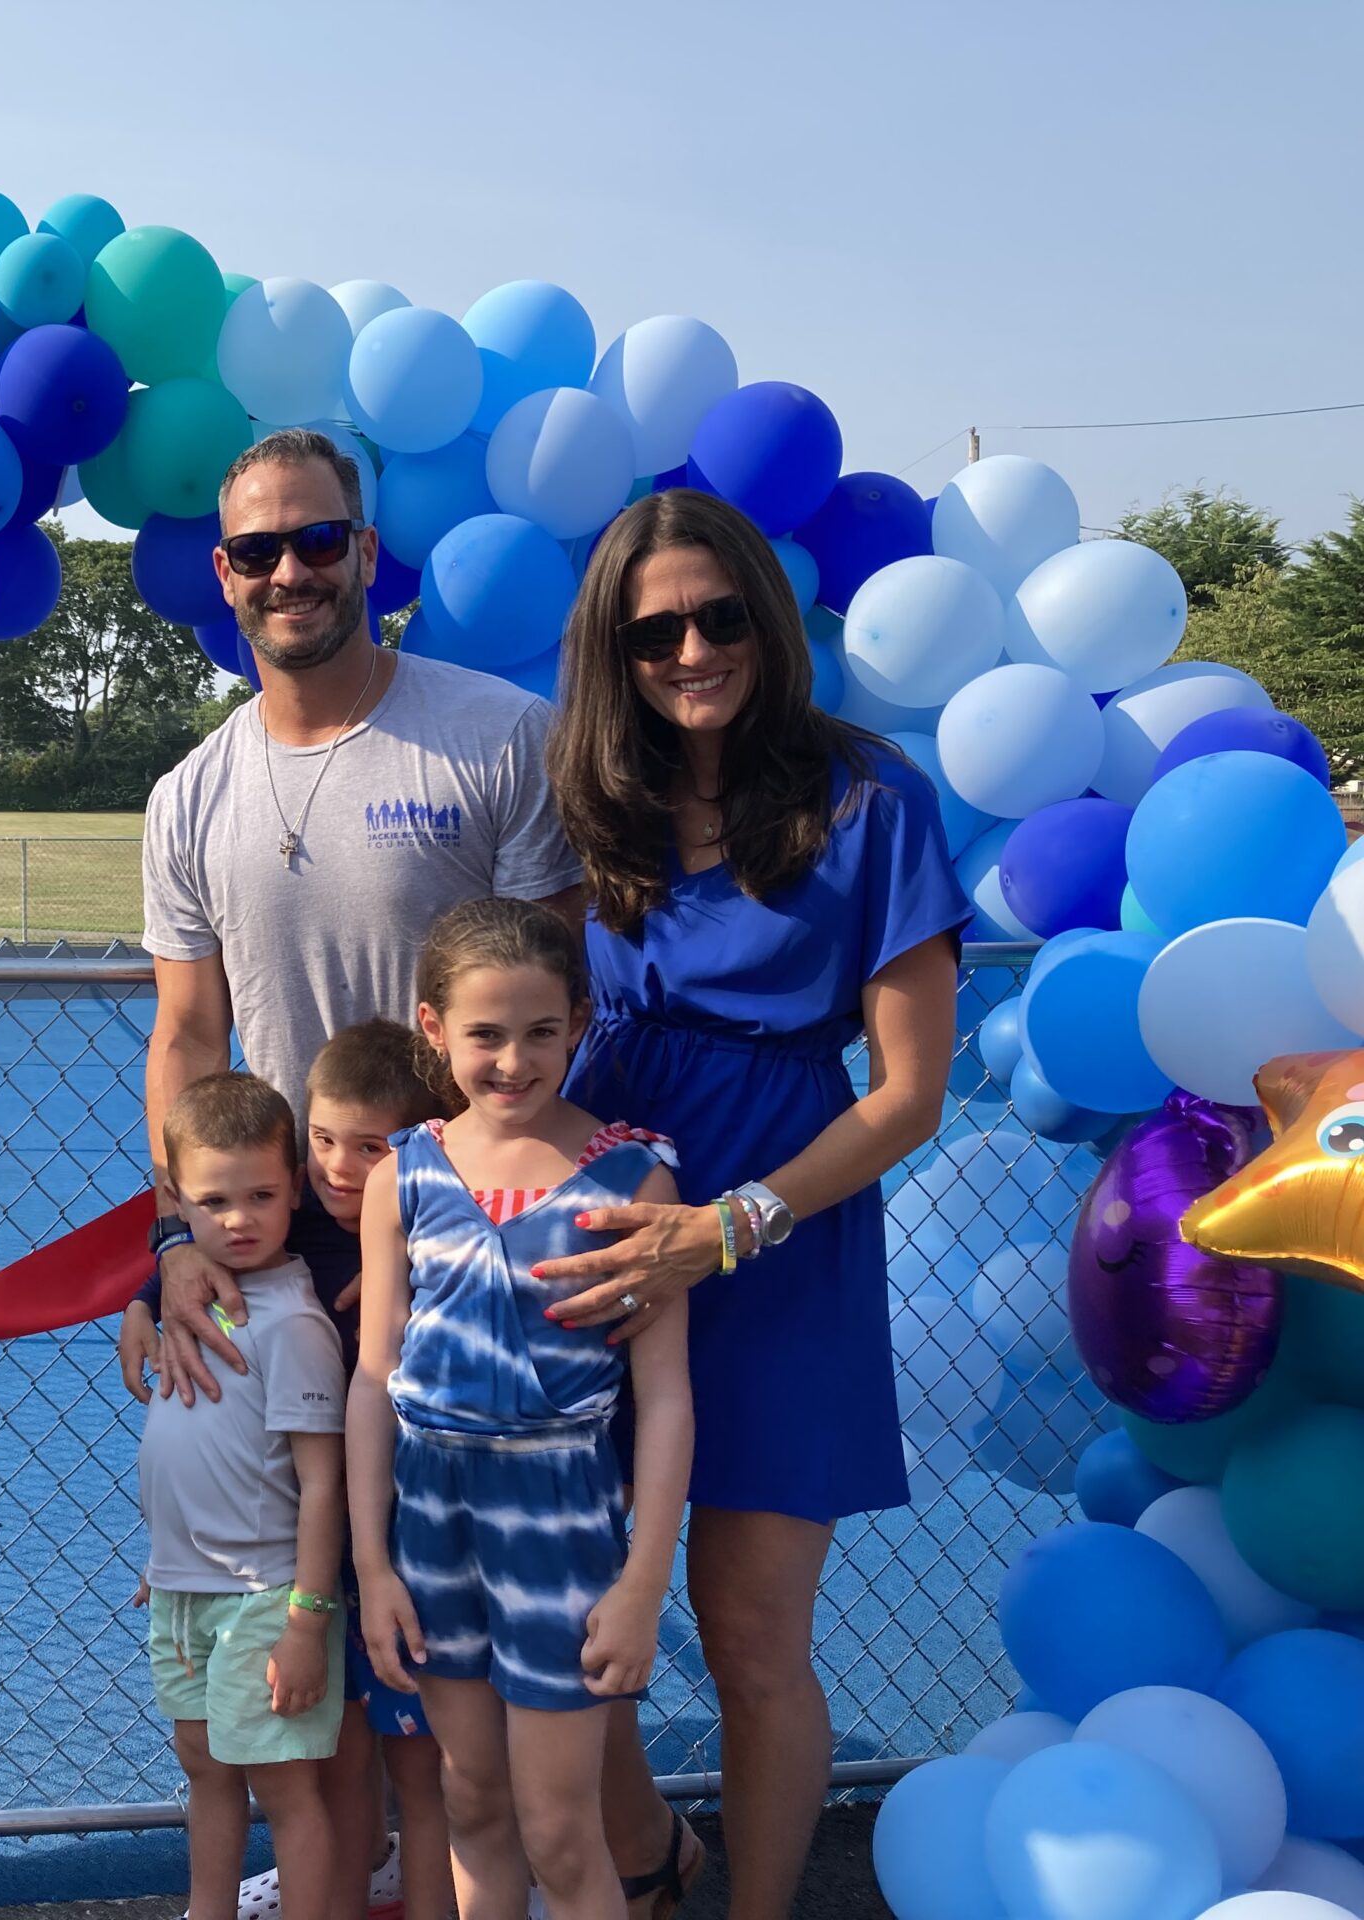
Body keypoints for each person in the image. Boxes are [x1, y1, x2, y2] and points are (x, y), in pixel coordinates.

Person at [135, 424, 585, 1914]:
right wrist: (174, 1238)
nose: (289, 571)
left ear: (366, 556)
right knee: (304, 1599)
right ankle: (354, 1876)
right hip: (291, 1237)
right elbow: (188, 1032)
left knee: (492, 1624)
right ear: (223, 575)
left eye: (316, 541)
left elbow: (550, 988)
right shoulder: (189, 793)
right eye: (257, 550)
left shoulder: (495, 733)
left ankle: (611, 1858)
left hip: (467, 1241)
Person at [536, 489, 970, 1920]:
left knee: (751, 1635)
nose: (691, 648)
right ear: (617, 647)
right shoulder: (597, 801)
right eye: (654, 627)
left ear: (766, 624)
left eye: (719, 616)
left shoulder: (868, 798)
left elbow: (907, 1092)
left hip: (777, 1249)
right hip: (603, 1242)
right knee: (573, 1610)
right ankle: (654, 1861)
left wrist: (728, 1228)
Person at [350, 899, 694, 1920]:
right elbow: (375, 1375)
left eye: (541, 1031)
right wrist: (373, 1568)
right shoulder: (401, 1176)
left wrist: (643, 1579)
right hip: (431, 1520)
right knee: (471, 1802)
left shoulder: (635, 1178)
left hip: (558, 1521)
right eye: (485, 1034)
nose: (512, 1060)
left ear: (580, 1024)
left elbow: (666, 1395)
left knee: (557, 1828)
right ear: (432, 1029)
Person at [124, 1021, 453, 1920]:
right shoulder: (248, 1251)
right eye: (325, 1143)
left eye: (371, 1147)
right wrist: (152, 1282)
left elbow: (328, 1476)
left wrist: (309, 1609)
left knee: (401, 1775)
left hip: (360, 1557)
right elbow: (209, 1206)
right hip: (244, 1569)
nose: (342, 1167)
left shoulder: (331, 1290)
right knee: (293, 1765)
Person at [137, 1071, 350, 1920]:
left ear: (294, 1189)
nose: (239, 1218)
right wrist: (169, 1559)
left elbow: (321, 1480)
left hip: (265, 1595)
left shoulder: (294, 1324)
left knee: (287, 1790)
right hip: (185, 1585)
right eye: (215, 1200)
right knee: (204, 1765)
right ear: (175, 1204)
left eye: (262, 1194)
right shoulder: (190, 1306)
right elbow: (189, 1453)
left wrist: (307, 1615)